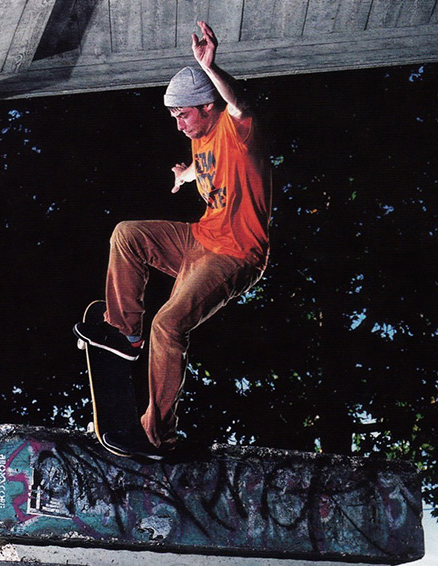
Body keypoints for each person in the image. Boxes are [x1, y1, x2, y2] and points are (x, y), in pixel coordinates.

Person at [74, 20, 272, 461]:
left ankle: (158, 435)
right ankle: (124, 334)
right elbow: (209, 168)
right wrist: (187, 174)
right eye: (172, 118)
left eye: (183, 115)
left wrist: (212, 67)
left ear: (206, 106)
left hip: (235, 254)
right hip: (200, 237)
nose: (179, 126)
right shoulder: (202, 140)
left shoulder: (238, 130)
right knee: (128, 234)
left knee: (169, 324)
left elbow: (240, 104)